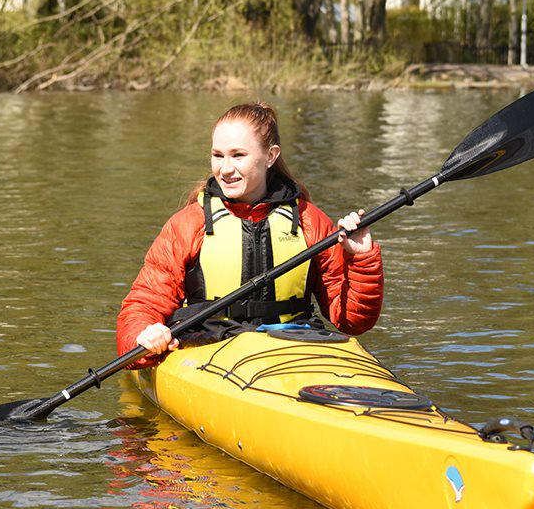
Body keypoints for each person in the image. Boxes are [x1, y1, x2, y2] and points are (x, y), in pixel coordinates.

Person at [117, 102, 383, 368]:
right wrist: (144, 334)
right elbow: (143, 304)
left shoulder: (310, 221)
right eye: (218, 156)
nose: (225, 169)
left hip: (294, 348)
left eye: (238, 155)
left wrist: (360, 260)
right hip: (209, 348)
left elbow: (353, 321)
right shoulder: (187, 225)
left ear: (271, 156)